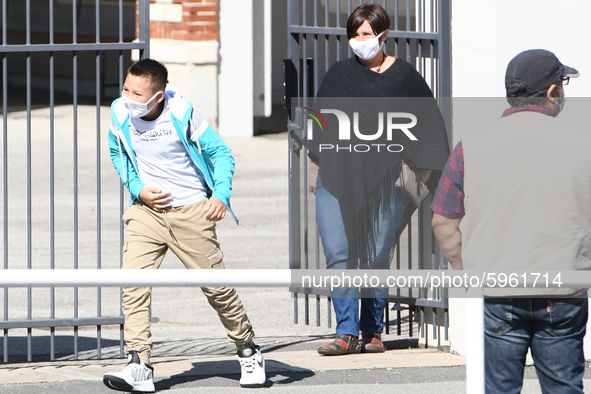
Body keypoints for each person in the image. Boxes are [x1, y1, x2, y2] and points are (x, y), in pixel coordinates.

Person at [102, 59, 265, 392]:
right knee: (133, 283)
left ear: (158, 96)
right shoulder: (120, 113)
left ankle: (248, 349)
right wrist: (137, 189)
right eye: (126, 89)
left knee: (216, 288)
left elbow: (221, 153)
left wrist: (219, 195)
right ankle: (139, 364)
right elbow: (117, 153)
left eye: (138, 93)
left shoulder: (182, 114)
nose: (129, 98)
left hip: (191, 211)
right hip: (146, 213)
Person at [431, 49, 589, 393]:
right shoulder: (584, 145)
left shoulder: (471, 146)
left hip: (497, 288)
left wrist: (466, 271)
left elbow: (443, 221)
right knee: (564, 387)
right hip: (564, 289)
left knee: (499, 389)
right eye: (562, 83)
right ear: (552, 92)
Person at [307, 4, 449, 356]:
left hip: (388, 183)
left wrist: (414, 183)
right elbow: (319, 123)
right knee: (338, 255)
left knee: (374, 255)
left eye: (366, 34)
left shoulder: (405, 78)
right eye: (354, 34)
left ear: (384, 35)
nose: (359, 41)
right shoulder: (338, 74)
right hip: (336, 178)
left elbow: (431, 130)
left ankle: (371, 331)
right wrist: (316, 170)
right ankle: (345, 331)